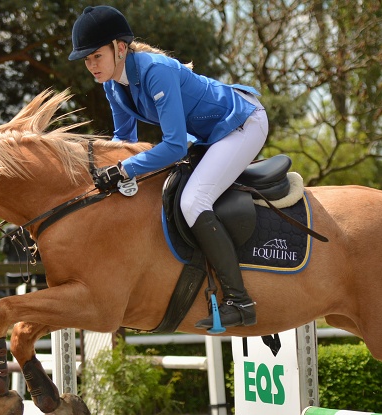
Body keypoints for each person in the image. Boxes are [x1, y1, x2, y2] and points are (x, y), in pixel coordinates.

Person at [68, 5, 268, 329]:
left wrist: (123, 170)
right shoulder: (112, 85)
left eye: (96, 56)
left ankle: (240, 300)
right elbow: (124, 140)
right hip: (209, 134)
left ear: (120, 48)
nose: (91, 65)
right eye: (87, 59)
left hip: (241, 123)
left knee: (193, 201)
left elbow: (174, 147)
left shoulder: (154, 71)